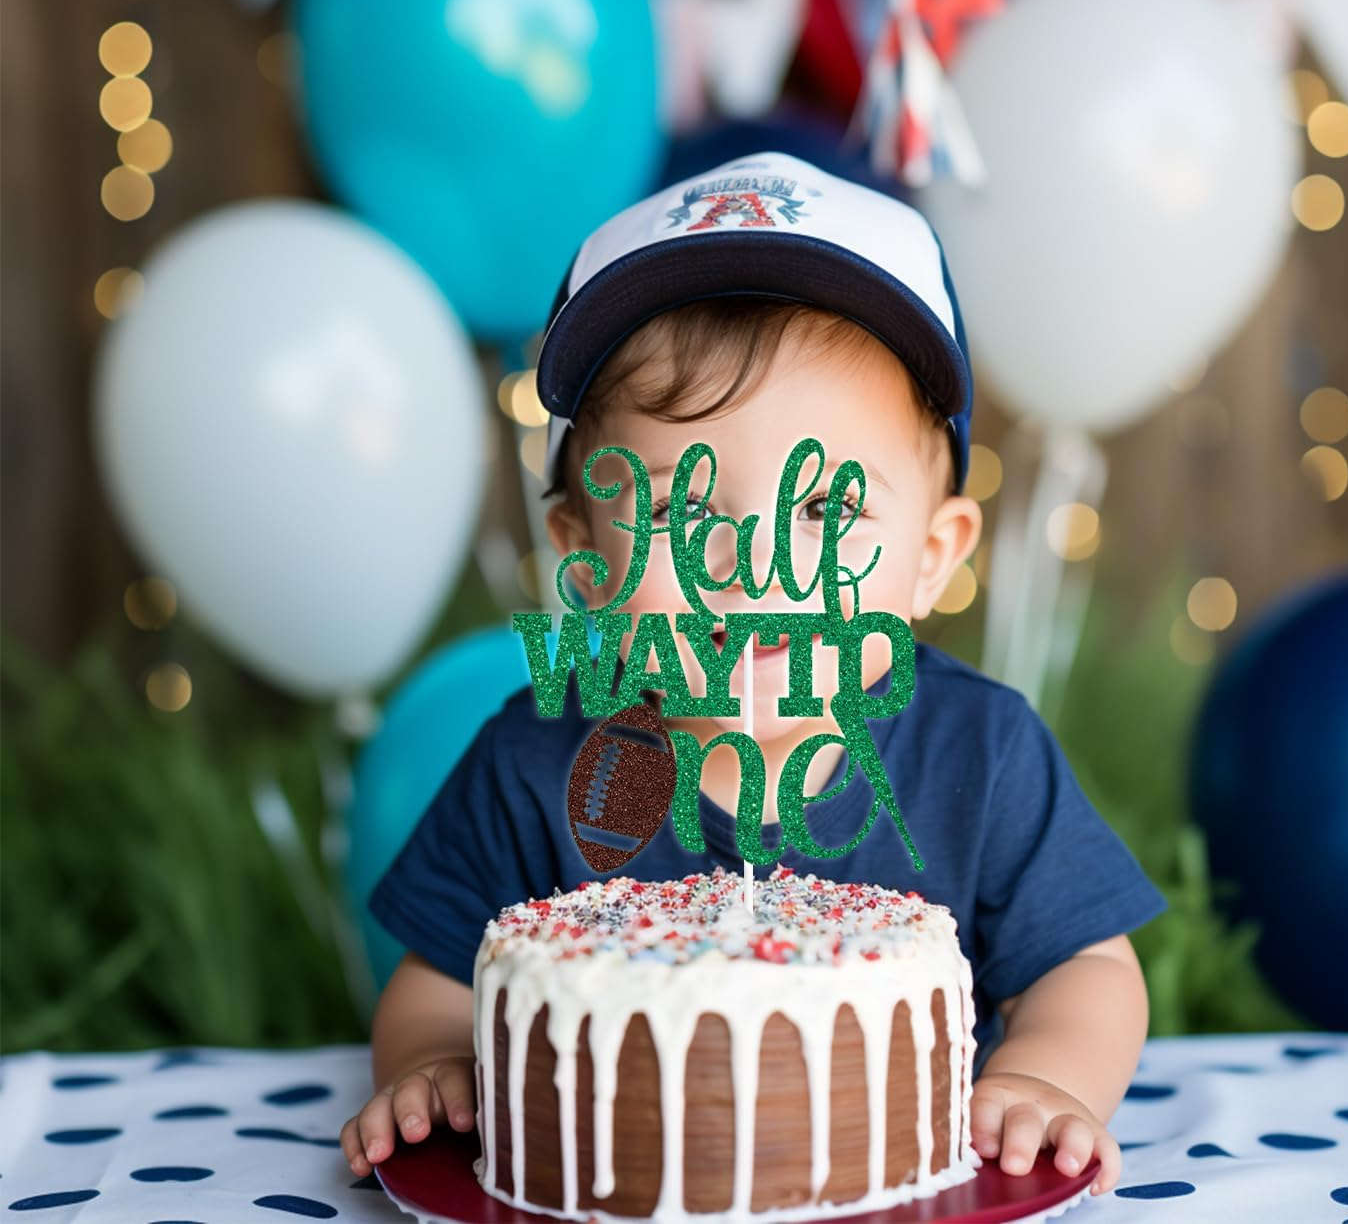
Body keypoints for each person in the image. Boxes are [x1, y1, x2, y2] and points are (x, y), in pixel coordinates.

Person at [340, 154, 1168, 1195]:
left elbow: (1086, 967)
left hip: (906, 1196)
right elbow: (435, 983)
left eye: (826, 510)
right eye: (681, 512)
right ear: (582, 558)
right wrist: (433, 1064)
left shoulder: (984, 755)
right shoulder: (532, 759)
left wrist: (1046, 1076)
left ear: (932, 558)